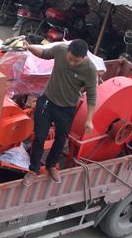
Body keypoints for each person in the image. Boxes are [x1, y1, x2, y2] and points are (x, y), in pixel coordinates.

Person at [22, 39, 97, 186]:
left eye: (76, 61)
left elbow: (92, 95)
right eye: (70, 59)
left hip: (66, 108)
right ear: (68, 51)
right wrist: (29, 46)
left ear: (84, 57)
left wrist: (89, 119)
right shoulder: (60, 50)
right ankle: (33, 170)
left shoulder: (90, 70)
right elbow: (44, 53)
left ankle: (51, 166)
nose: (72, 63)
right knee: (39, 136)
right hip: (47, 102)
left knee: (61, 140)